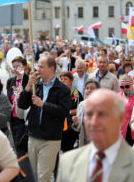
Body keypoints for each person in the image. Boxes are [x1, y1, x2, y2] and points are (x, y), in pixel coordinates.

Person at [57, 89, 134, 182]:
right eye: (89, 114)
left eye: (102, 114)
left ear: (120, 118)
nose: (94, 122)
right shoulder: (67, 162)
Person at [17, 54, 71, 182]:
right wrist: (28, 86)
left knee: (43, 176)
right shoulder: (36, 86)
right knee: (33, 175)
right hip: (33, 136)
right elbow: (22, 105)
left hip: (51, 139)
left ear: (51, 69)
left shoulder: (62, 89)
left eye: (41, 67)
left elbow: (63, 111)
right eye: (38, 66)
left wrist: (43, 105)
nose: (37, 69)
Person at [60, 71, 83, 152]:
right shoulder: (59, 93)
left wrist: (69, 112)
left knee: (68, 148)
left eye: (65, 79)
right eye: (61, 79)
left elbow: (80, 108)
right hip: (60, 124)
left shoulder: (76, 93)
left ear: (71, 80)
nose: (63, 81)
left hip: (71, 125)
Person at [72, 79, 100, 147]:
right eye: (87, 88)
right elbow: (78, 128)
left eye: (92, 88)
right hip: (84, 143)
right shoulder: (82, 105)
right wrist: (76, 123)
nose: (89, 90)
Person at [117, 75, 134, 146]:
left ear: (132, 84)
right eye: (122, 87)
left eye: (127, 86)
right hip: (122, 129)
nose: (124, 89)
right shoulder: (118, 96)